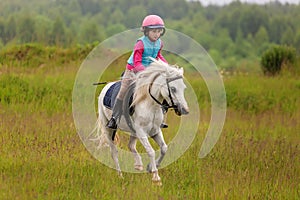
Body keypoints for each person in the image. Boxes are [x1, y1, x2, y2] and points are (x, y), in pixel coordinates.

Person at [106, 14, 169, 130]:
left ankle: (160, 118)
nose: (157, 34)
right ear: (146, 31)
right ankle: (114, 118)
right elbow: (137, 62)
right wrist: (147, 72)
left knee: (162, 88)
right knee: (123, 90)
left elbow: (158, 56)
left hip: (148, 71)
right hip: (132, 70)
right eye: (154, 31)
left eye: (159, 31)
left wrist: (167, 67)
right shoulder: (140, 43)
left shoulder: (160, 43)